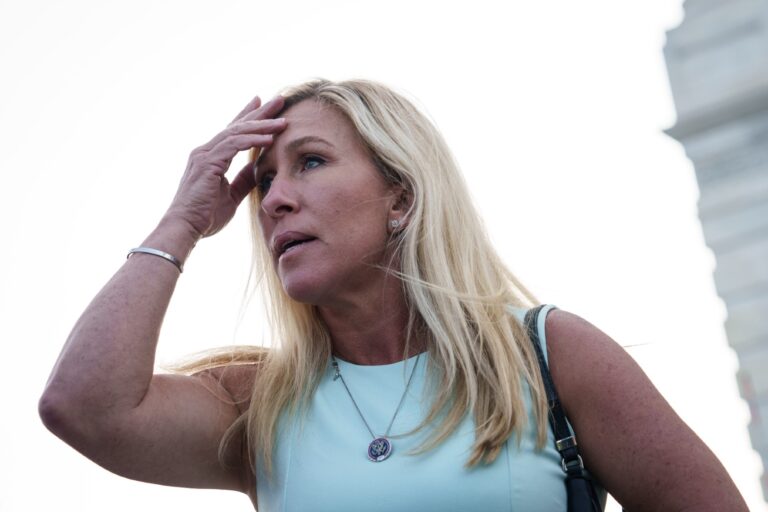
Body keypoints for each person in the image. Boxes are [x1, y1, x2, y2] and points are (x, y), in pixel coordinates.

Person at [39, 79, 748, 511]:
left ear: (400, 196)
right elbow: (83, 407)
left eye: (310, 163)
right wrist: (182, 222)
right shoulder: (257, 403)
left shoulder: (547, 353)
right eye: (263, 181)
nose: (275, 200)